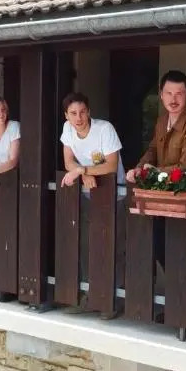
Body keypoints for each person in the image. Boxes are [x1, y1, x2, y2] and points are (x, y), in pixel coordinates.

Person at [125, 70, 186, 335]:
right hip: (163, 200)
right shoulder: (163, 121)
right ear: (160, 95)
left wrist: (151, 173)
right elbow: (152, 150)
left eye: (179, 94)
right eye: (169, 93)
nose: (174, 99)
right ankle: (178, 306)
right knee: (163, 250)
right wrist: (139, 168)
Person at [59, 92, 124, 319]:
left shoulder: (104, 129)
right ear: (66, 116)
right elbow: (68, 160)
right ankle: (90, 297)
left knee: (113, 246)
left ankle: (112, 301)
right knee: (88, 244)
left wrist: (82, 170)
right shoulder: (68, 130)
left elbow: (111, 165)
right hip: (89, 194)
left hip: (115, 195)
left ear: (89, 112)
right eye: (73, 113)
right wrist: (82, 172)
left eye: (82, 112)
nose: (78, 118)